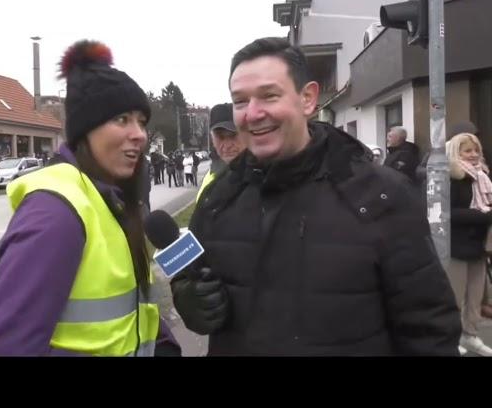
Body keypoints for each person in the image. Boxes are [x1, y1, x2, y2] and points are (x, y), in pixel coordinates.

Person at [171, 36, 460, 356]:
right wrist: (190, 300)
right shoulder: (217, 198)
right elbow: (192, 282)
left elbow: (430, 328)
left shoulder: (380, 196)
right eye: (240, 101)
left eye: (268, 96)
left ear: (308, 99)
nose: (252, 114)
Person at [0, 40, 179, 356]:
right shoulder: (56, 214)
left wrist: (163, 345)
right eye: (122, 119)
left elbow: (127, 308)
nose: (139, 133)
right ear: (86, 131)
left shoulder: (109, 199)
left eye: (141, 120)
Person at [446, 133, 492, 356]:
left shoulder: (482, 176)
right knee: (454, 296)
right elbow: (447, 213)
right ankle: (449, 337)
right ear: (457, 152)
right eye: (467, 151)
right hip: (456, 245)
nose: (474, 155)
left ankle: (470, 335)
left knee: (474, 298)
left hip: (479, 246)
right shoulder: (452, 177)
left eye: (476, 150)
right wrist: (484, 216)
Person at [196, 102, 245, 200]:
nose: (227, 146)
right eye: (220, 137)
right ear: (212, 139)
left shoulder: (265, 179)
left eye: (233, 135)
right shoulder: (210, 177)